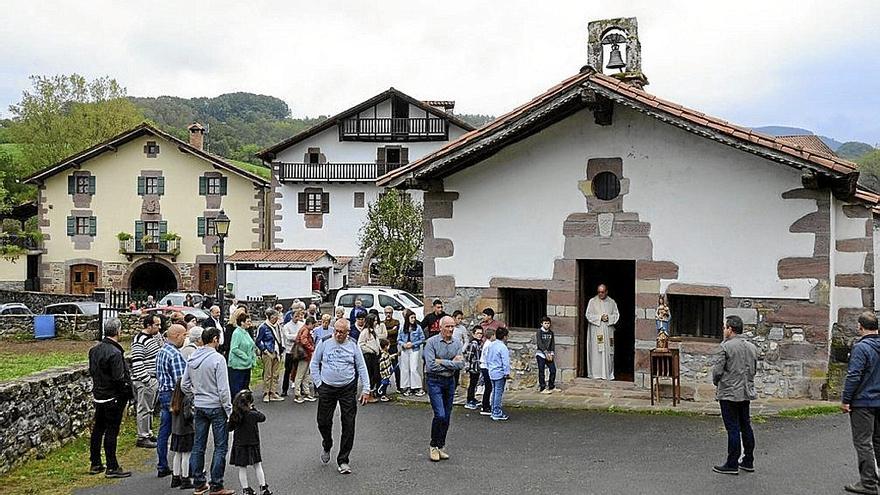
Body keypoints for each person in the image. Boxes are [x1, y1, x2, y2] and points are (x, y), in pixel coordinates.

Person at [310, 318, 371, 475]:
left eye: (341, 332)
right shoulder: (324, 342)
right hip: (327, 387)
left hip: (347, 388)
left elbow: (361, 367)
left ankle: (343, 460)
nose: (338, 334)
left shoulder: (352, 344)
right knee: (323, 421)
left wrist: (366, 389)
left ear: (347, 332)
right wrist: (319, 385)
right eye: (336, 331)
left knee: (348, 424)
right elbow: (314, 364)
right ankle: (327, 443)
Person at [182, 327, 234, 495]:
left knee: (199, 445)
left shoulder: (192, 357)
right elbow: (224, 390)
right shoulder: (218, 359)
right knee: (220, 447)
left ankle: (198, 483)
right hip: (216, 405)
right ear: (214, 339)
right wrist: (229, 409)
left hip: (200, 405)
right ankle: (216, 484)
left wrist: (195, 394)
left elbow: (184, 385)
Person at [711, 315, 758, 475]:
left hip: (729, 392)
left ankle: (732, 463)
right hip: (745, 391)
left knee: (732, 428)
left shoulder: (725, 347)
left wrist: (717, 382)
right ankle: (748, 460)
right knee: (746, 425)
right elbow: (754, 369)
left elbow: (717, 371)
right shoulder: (751, 347)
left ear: (730, 329)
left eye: (725, 327)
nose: (724, 330)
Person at [88, 317, 133, 479]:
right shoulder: (114, 352)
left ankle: (95, 462)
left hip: (99, 395)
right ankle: (112, 466)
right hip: (112, 397)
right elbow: (119, 378)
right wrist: (126, 394)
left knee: (98, 429)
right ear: (118, 331)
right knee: (111, 431)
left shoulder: (94, 350)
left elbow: (93, 371)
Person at [842, 311, 880, 494]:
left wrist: (846, 400)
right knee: (878, 441)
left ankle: (868, 483)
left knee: (863, 442)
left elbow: (854, 375)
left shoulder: (860, 347)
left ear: (860, 326)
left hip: (864, 401)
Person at [423, 315, 465, 461]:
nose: (450, 329)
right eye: (447, 326)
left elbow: (460, 364)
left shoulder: (457, 343)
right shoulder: (431, 343)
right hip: (434, 381)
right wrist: (450, 363)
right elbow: (430, 365)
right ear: (440, 327)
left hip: (449, 381)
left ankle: (441, 446)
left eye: (452, 326)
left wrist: (441, 361)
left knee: (447, 416)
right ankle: (433, 445)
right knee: (439, 414)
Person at [155, 324, 188, 478]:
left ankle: (162, 464)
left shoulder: (161, 351)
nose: (185, 338)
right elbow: (181, 381)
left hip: (163, 392)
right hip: (174, 395)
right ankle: (185, 467)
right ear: (176, 336)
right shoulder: (175, 355)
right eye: (183, 335)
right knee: (181, 430)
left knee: (164, 430)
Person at [229, 390, 273, 495]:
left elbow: (229, 428)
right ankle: (263, 487)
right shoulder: (252, 414)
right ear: (249, 403)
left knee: (242, 468)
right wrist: (254, 409)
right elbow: (262, 417)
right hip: (253, 443)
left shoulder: (236, 415)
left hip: (239, 444)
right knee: (257, 465)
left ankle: (246, 489)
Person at [131, 314, 163, 448]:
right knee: (144, 408)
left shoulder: (154, 337)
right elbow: (137, 361)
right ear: (149, 326)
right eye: (157, 325)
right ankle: (142, 436)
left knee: (149, 408)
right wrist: (147, 380)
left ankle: (148, 433)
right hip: (145, 380)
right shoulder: (140, 340)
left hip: (153, 378)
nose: (159, 327)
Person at [585, 284, 618, 380]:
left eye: (602, 292)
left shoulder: (612, 302)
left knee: (608, 352)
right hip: (596, 331)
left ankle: (607, 374)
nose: (600, 294)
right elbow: (588, 315)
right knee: (596, 353)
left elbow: (616, 314)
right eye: (599, 292)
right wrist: (600, 317)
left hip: (608, 332)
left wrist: (609, 318)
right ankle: (596, 373)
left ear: (606, 292)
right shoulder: (592, 301)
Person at [169, 378, 194, 489]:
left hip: (176, 431)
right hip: (186, 430)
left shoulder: (174, 398)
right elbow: (188, 415)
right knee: (186, 455)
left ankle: (175, 477)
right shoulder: (187, 399)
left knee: (177, 454)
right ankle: (185, 479)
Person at [255, 310, 285, 403]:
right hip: (268, 352)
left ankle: (273, 392)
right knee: (268, 374)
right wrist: (265, 350)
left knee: (275, 374)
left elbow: (281, 338)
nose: (275, 319)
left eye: (276, 317)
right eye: (273, 317)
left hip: (277, 351)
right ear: (269, 317)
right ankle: (266, 393)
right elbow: (258, 341)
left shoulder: (278, 326)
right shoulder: (263, 327)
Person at [229, 312, 257, 401]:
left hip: (246, 365)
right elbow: (234, 348)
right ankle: (237, 405)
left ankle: (245, 404)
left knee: (245, 387)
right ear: (242, 322)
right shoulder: (237, 333)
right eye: (248, 321)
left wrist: (253, 359)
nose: (250, 323)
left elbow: (251, 346)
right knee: (237, 388)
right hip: (238, 366)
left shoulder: (245, 332)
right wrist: (245, 357)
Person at [398, 309, 425, 397]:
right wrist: (404, 344)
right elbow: (399, 339)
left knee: (413, 368)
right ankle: (407, 387)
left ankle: (417, 386)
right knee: (405, 369)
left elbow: (422, 339)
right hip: (405, 350)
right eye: (411, 317)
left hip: (414, 349)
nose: (413, 319)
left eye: (414, 317)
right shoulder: (403, 328)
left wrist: (412, 344)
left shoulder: (418, 328)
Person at [358, 313, 385, 401]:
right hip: (368, 356)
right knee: (370, 375)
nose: (376, 322)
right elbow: (361, 344)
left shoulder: (373, 331)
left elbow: (377, 342)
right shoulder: (365, 332)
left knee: (375, 375)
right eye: (375, 320)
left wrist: (379, 350)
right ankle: (368, 395)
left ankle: (371, 393)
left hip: (375, 356)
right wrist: (371, 350)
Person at [486, 327, 511, 421]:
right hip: (499, 372)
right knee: (498, 393)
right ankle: (496, 412)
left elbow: (488, 358)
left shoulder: (492, 345)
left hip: (492, 371)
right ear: (504, 337)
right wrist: (507, 373)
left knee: (494, 391)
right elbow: (505, 361)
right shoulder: (502, 347)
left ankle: (493, 410)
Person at [292, 317, 318, 403]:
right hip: (304, 355)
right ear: (310, 323)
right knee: (301, 375)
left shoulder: (303, 329)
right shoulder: (306, 330)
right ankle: (297, 394)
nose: (314, 327)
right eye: (313, 325)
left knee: (305, 374)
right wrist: (311, 348)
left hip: (304, 355)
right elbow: (304, 341)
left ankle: (306, 393)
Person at [280, 309, 304, 397]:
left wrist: (296, 337)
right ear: (291, 316)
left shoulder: (301, 325)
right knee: (287, 370)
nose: (297, 318)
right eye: (295, 316)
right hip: (289, 350)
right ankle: (284, 389)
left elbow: (303, 335)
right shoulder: (286, 326)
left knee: (299, 370)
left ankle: (299, 388)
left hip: (298, 350)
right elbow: (287, 336)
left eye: (298, 316)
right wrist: (297, 336)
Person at [463, 327, 484, 410]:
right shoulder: (473, 344)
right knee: (472, 383)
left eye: (481, 333)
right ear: (474, 334)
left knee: (475, 383)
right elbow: (469, 356)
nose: (480, 335)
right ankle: (469, 399)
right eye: (478, 333)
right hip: (473, 367)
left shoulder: (479, 343)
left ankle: (472, 398)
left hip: (478, 367)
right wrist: (467, 366)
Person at [479, 327, 498, 416]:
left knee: (489, 387)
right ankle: (485, 406)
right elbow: (488, 357)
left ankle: (486, 404)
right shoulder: (488, 345)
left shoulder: (488, 343)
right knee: (488, 387)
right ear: (492, 335)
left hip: (486, 366)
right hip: (486, 367)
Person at [535, 316, 557, 393]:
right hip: (541, 354)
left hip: (549, 354)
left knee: (553, 370)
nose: (547, 325)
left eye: (548, 323)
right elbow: (540, 343)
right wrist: (545, 352)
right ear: (542, 324)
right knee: (541, 371)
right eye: (545, 323)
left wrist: (552, 353)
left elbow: (552, 344)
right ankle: (542, 387)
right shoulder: (539, 332)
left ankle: (551, 386)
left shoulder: (551, 333)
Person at [383, 306, 401, 390]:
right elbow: (383, 335)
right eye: (386, 313)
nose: (388, 314)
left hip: (393, 346)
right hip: (384, 348)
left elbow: (395, 331)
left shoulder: (396, 322)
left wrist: (386, 331)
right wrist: (389, 331)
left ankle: (399, 386)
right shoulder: (382, 323)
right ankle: (383, 388)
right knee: (384, 369)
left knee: (396, 367)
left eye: (390, 313)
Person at [451, 310, 469, 391]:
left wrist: (462, 350)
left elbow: (466, 340)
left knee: (456, 372)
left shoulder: (462, 328)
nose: (460, 320)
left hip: (458, 352)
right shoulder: (450, 327)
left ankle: (454, 388)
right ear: (454, 318)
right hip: (449, 352)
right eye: (458, 318)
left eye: (461, 318)